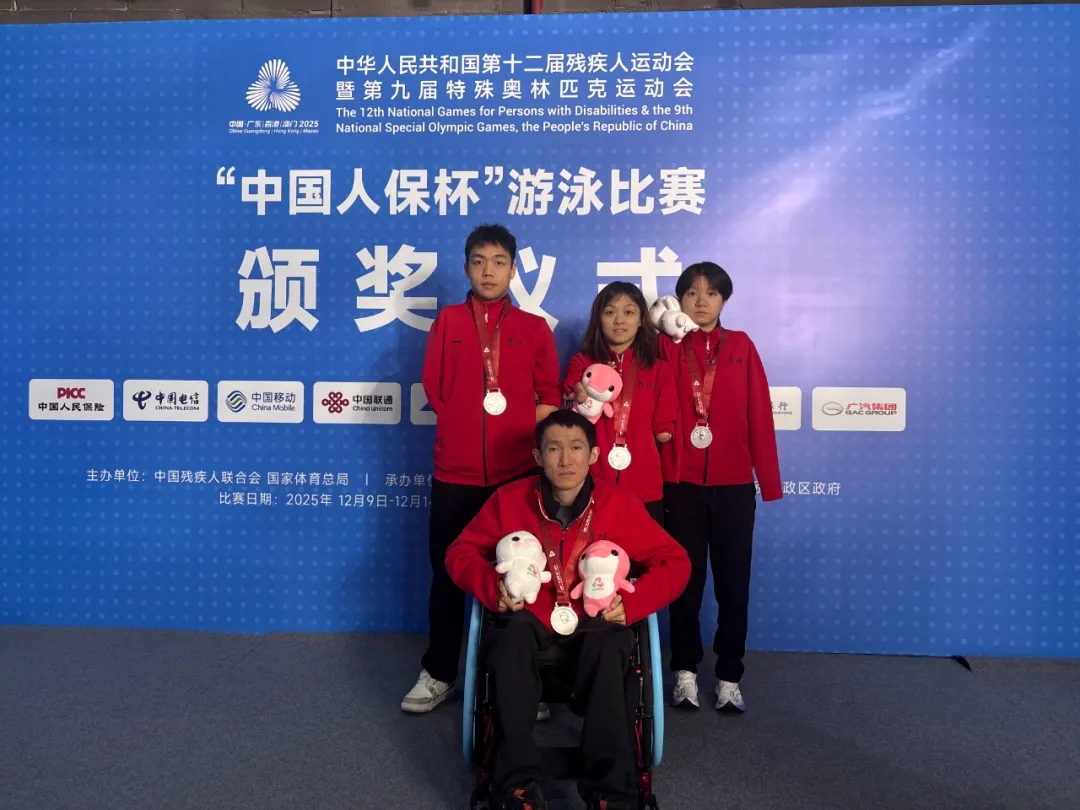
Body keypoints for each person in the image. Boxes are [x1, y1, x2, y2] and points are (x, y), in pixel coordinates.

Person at [445, 410, 691, 810]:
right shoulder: (509, 500)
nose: (565, 459)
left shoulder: (620, 504)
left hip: (596, 624)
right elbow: (460, 552)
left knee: (610, 646)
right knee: (509, 641)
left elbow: (675, 562)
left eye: (576, 448)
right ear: (537, 456)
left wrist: (632, 604)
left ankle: (611, 792)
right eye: (553, 449)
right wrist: (494, 589)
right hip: (529, 622)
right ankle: (516, 787)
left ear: (593, 454)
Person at [402, 224, 563, 714]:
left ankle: (518, 682)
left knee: (523, 577)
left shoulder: (533, 328)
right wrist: (462, 427)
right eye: (478, 261)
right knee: (448, 574)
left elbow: (549, 395)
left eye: (498, 262)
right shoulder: (448, 322)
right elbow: (435, 388)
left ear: (513, 270)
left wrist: (521, 438)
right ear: (466, 267)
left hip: (516, 477)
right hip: (456, 473)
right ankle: (439, 672)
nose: (488, 271)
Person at [654, 262, 783, 714]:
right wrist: (664, 330)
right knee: (684, 583)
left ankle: (729, 676)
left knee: (733, 583)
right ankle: (684, 672)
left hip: (733, 486)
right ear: (680, 300)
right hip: (679, 483)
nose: (701, 301)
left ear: (724, 299)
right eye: (691, 292)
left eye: (711, 292)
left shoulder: (741, 346)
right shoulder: (667, 346)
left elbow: (759, 414)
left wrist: (768, 480)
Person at [563, 281, 679, 528]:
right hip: (592, 482)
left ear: (641, 320)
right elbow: (572, 381)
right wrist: (578, 389)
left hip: (645, 485)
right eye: (610, 312)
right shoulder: (583, 362)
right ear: (599, 319)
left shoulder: (658, 368)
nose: (619, 320)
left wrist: (665, 428)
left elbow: (665, 419)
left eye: (628, 312)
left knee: (644, 550)